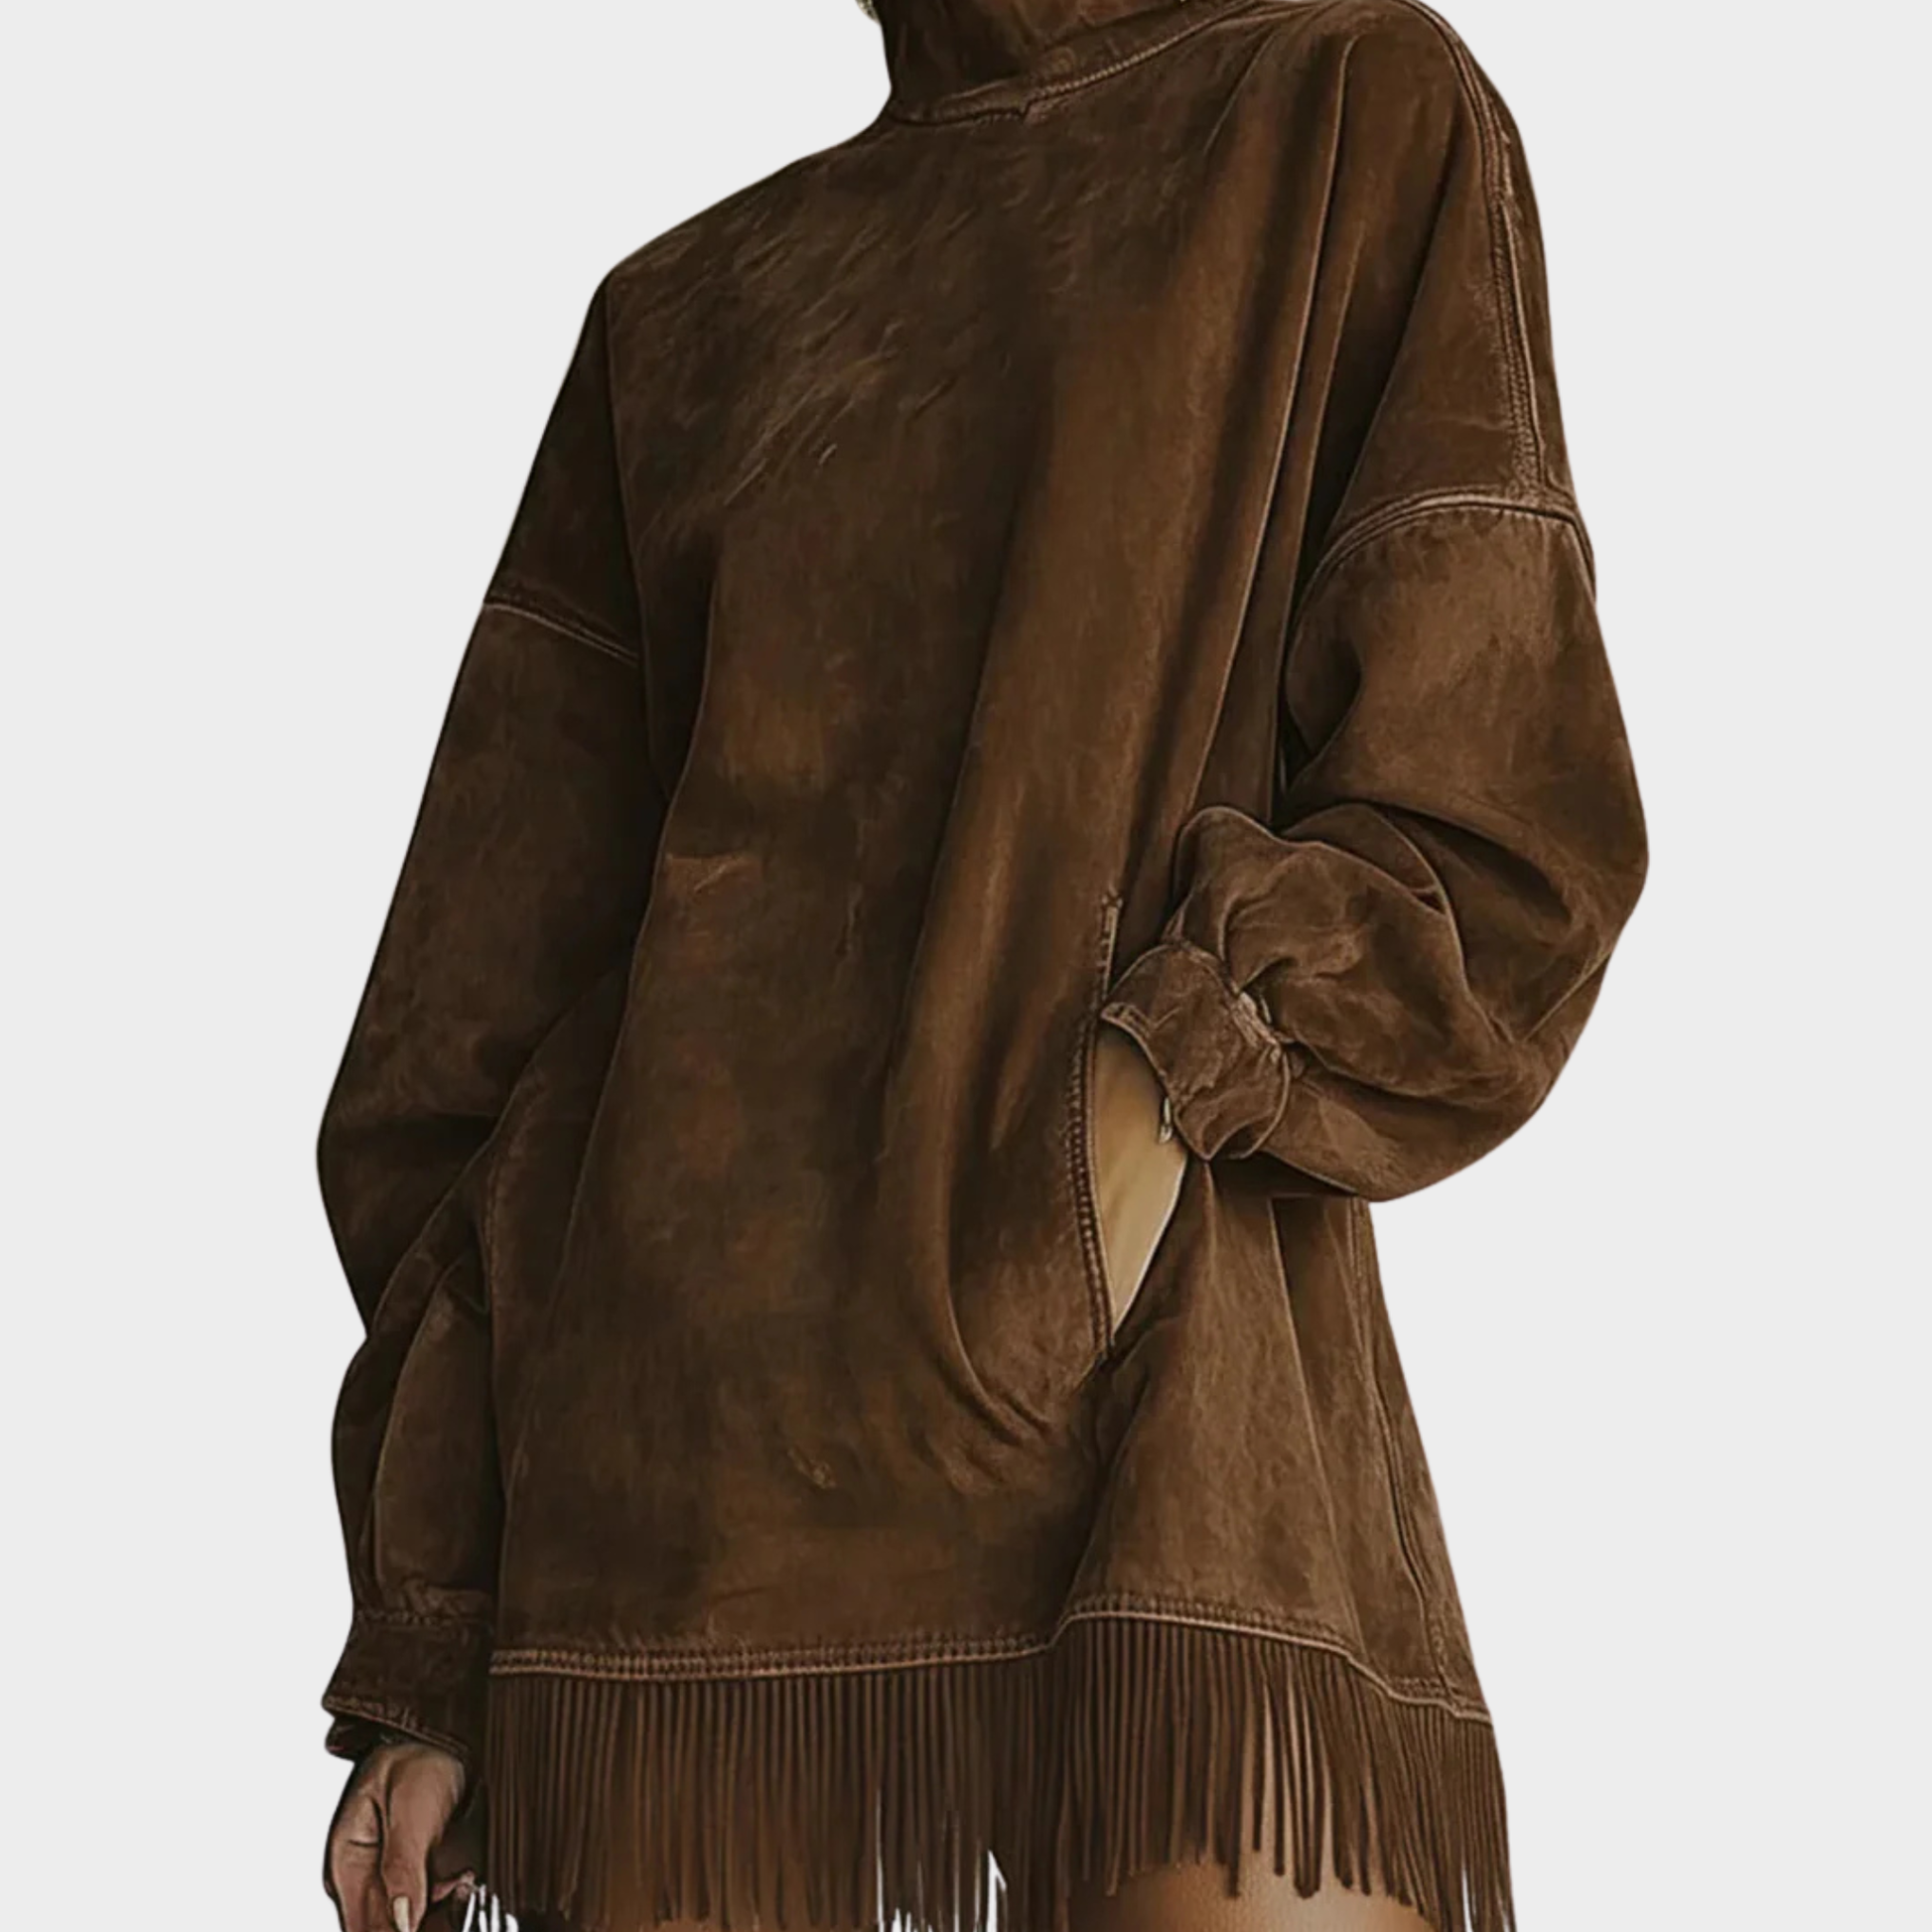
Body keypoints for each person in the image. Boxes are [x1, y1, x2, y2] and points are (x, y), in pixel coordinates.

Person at [316, 0, 1648, 1928]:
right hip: (679, 1512)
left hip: (1161, 1409)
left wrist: (1149, 1100)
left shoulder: (1348, 103)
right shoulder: (681, 314)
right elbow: (473, 1047)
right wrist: (439, 1634)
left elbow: (1494, 821)